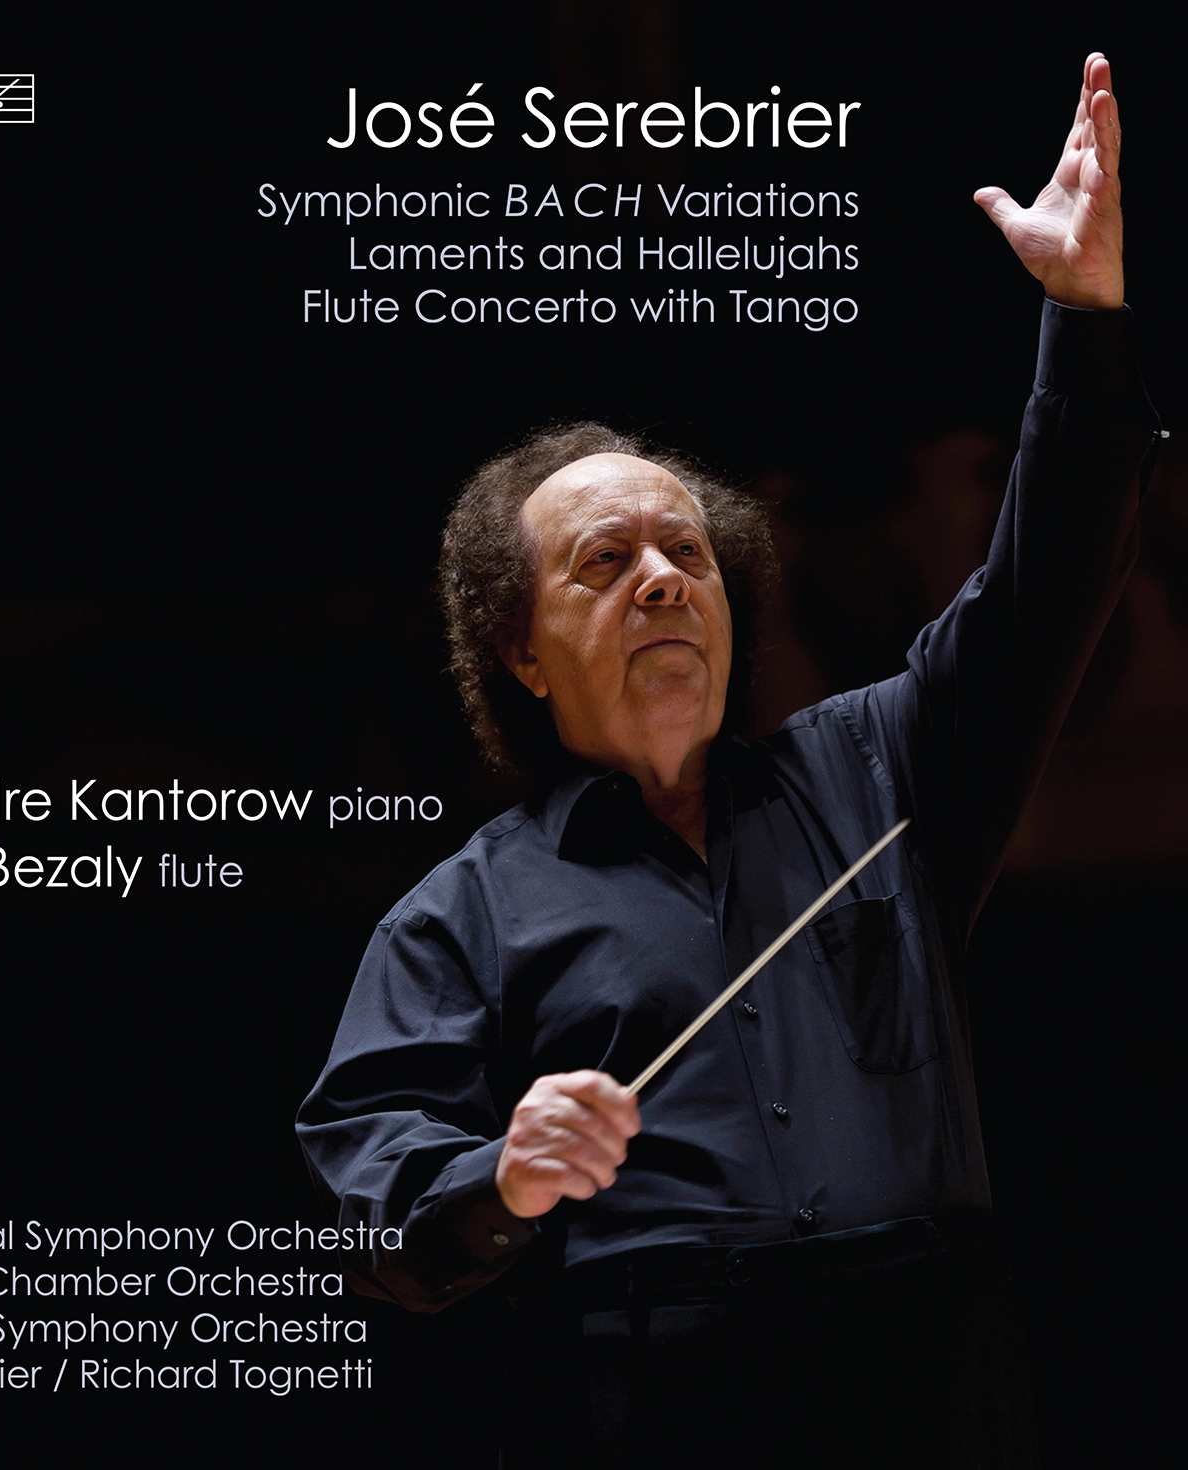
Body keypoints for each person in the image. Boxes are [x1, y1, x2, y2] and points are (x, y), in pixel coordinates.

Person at [298, 54, 1160, 1467]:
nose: (662, 577)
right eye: (605, 561)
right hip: (656, 1389)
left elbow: (1047, 586)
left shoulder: (884, 766)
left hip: (932, 1374)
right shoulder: (461, 916)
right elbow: (364, 1198)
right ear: (519, 649)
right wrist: (498, 1175)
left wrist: (1081, 317)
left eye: (687, 553)